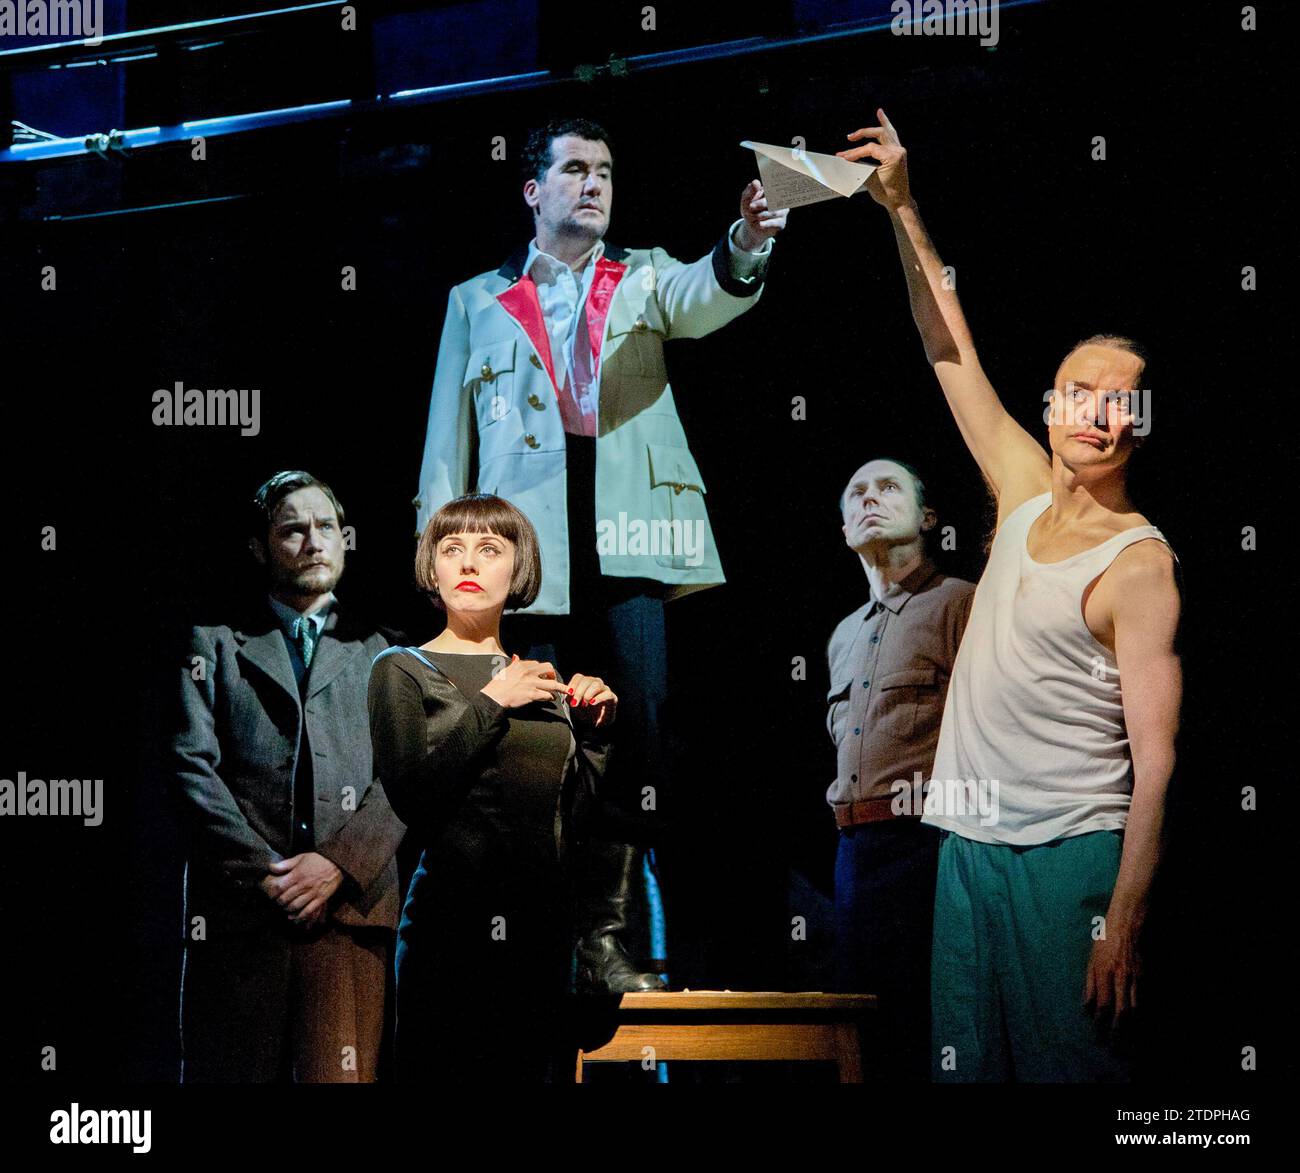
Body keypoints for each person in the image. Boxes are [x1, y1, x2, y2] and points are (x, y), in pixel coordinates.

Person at [840, 109, 1182, 1081]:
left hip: (1069, 859)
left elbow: (1156, 763)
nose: (1096, 411)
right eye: (1079, 390)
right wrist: (901, 208)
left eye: (1120, 400)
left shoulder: (1138, 563)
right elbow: (947, 348)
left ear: (1138, 428)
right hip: (969, 849)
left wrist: (1121, 919)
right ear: (1052, 406)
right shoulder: (1023, 490)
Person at [413, 116, 787, 993]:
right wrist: (444, 566)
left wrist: (747, 241)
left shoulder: (644, 274)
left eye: (606, 172)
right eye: (574, 169)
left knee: (634, 738)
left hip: (632, 545)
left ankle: (603, 941)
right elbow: (445, 443)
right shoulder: (476, 298)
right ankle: (539, 939)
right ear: (533, 190)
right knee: (533, 745)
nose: (593, 184)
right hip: (524, 558)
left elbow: (712, 293)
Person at [369, 493, 617, 1083]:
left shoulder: (539, 678)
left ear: (519, 567)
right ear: (432, 569)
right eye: (451, 549)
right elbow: (413, 797)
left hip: (541, 940)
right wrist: (491, 703)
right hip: (450, 937)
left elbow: (568, 822)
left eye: (489, 549)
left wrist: (595, 737)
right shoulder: (400, 668)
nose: (469, 564)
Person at [171, 471, 407, 1082]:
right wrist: (269, 874)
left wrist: (338, 864)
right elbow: (189, 768)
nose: (313, 541)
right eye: (292, 529)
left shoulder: (386, 650)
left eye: (326, 527)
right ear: (259, 547)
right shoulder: (213, 644)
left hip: (348, 919)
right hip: (241, 922)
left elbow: (407, 777)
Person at [826, 457, 973, 1080]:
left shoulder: (961, 604)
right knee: (866, 1025)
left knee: (930, 1024)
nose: (870, 498)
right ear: (842, 528)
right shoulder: (842, 635)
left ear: (928, 518)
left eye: (889, 488)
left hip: (930, 846)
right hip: (856, 851)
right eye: (856, 490)